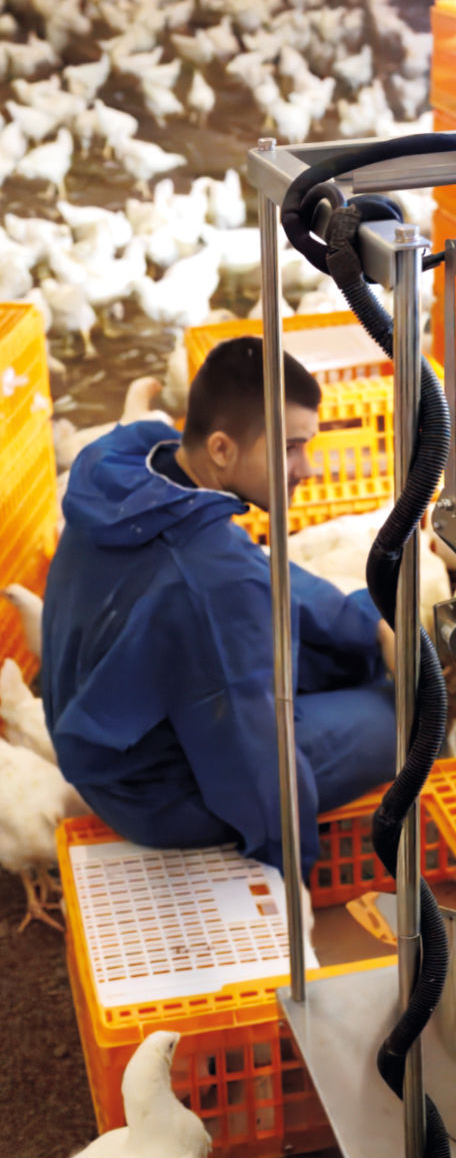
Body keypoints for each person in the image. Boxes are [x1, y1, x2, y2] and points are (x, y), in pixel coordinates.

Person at [42, 337, 397, 883]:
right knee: (402, 716)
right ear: (223, 449)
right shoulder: (209, 582)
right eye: (289, 448)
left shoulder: (135, 468)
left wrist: (367, 625)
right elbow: (255, 765)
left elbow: (250, 569)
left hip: (106, 737)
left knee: (350, 650)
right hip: (154, 790)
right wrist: (291, 872)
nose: (309, 468)